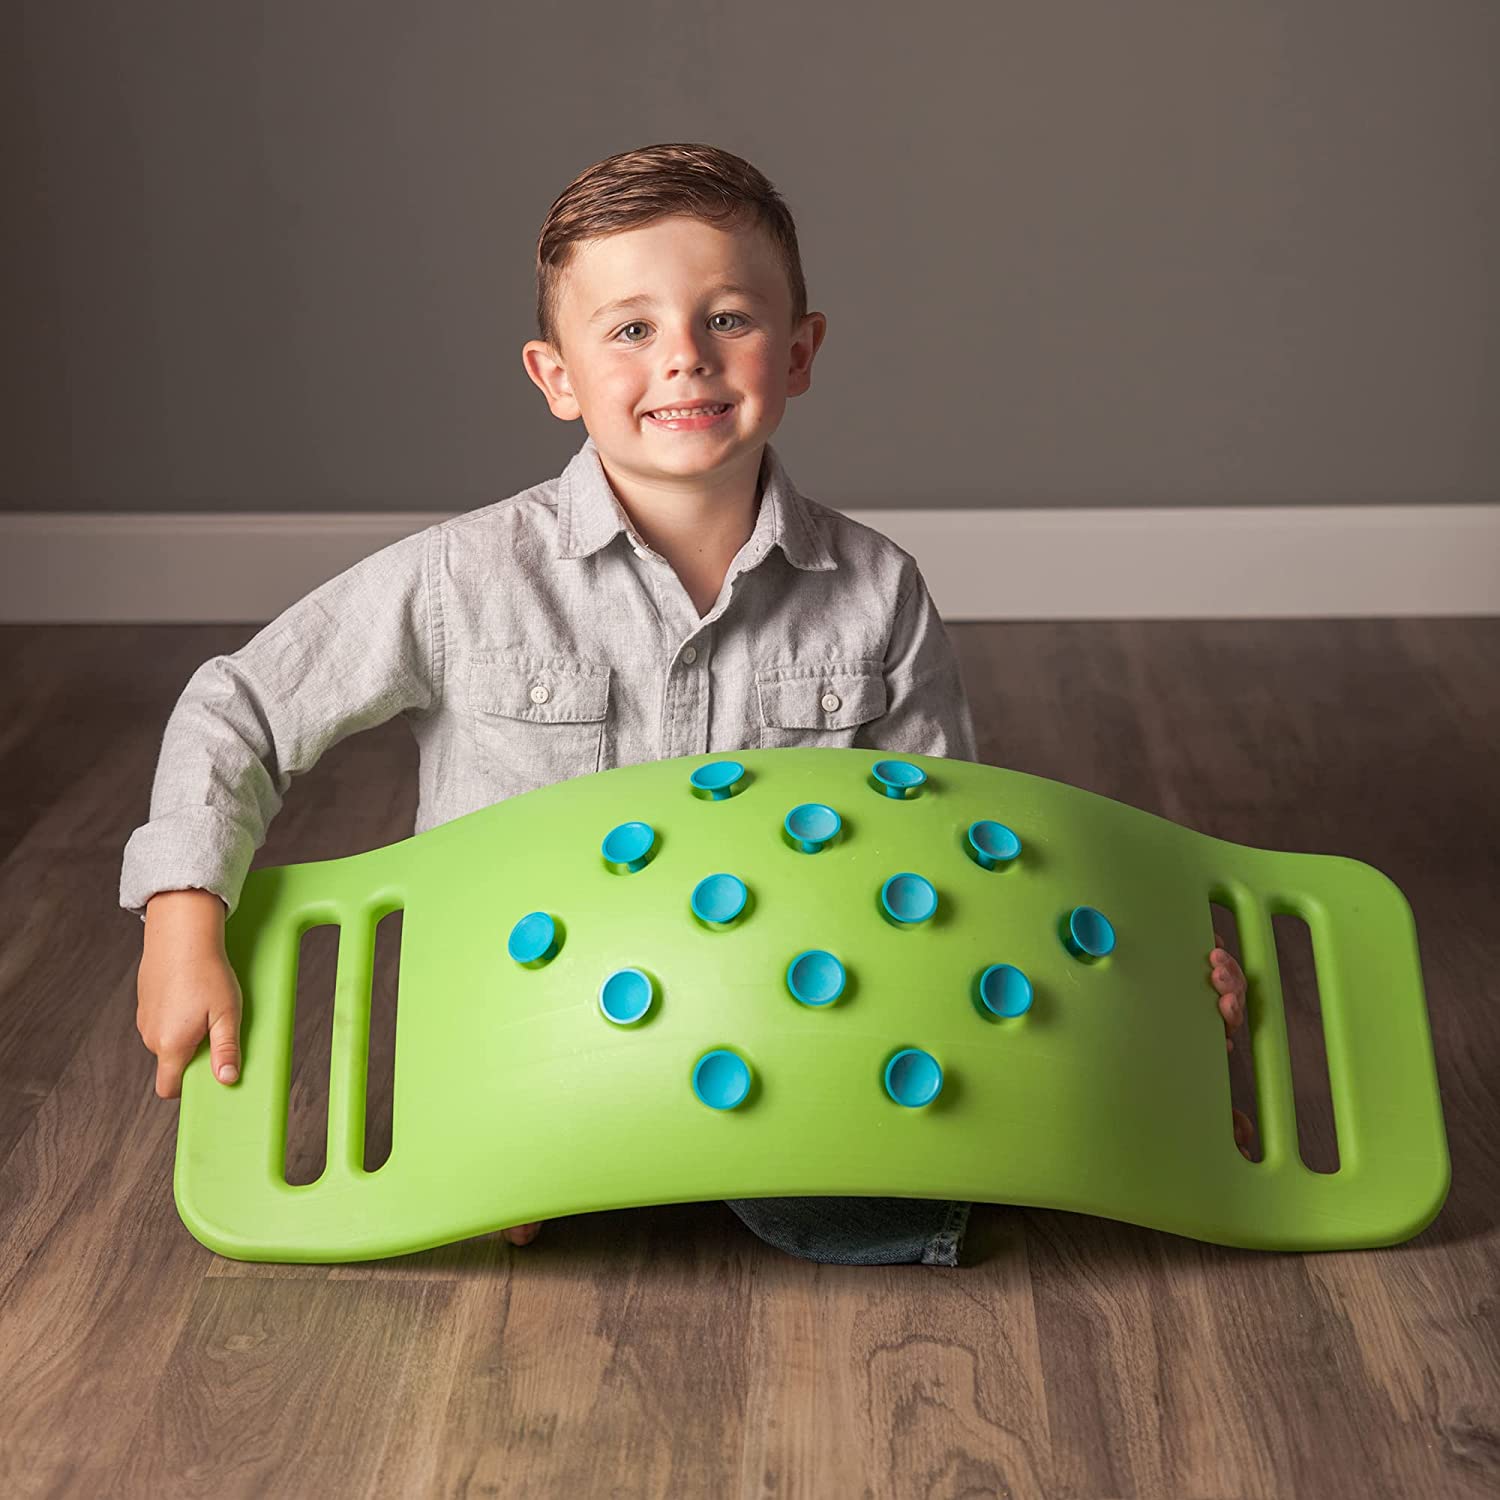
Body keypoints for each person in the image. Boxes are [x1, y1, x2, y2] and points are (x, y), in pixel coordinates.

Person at [123, 142, 1252, 1268]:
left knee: (930, 1172)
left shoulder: (876, 592)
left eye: (729, 319)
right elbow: (241, 709)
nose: (685, 362)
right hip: (527, 1036)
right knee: (521, 1164)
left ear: (800, 351)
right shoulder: (462, 578)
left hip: (785, 1026)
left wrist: (1154, 989)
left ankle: (741, 1178)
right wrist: (185, 919)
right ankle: (542, 1167)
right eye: (630, 330)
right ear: (555, 374)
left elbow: (945, 855)